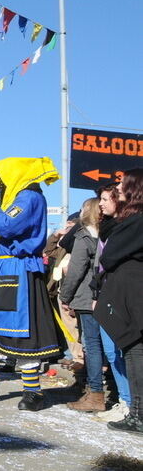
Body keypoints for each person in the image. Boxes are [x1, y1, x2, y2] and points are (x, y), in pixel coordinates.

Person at [0, 157, 65, 411]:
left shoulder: (29, 197)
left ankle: (33, 392)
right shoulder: (18, 197)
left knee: (21, 331)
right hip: (3, 267)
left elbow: (6, 225)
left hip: (18, 268)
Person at [95, 169, 143, 433]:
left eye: (124, 185)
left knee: (136, 352)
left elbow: (109, 255)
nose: (119, 188)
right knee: (133, 351)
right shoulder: (131, 220)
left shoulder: (136, 222)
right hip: (129, 293)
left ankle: (139, 414)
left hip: (134, 295)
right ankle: (137, 412)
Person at [90, 183, 132, 422]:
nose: (102, 203)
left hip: (119, 295)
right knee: (110, 351)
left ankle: (130, 403)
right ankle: (124, 400)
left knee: (121, 351)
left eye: (106, 199)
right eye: (101, 199)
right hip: (103, 293)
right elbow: (99, 266)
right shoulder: (105, 228)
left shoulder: (125, 229)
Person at [60, 197, 106, 412]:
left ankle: (95, 392)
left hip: (86, 297)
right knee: (104, 346)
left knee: (91, 345)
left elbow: (76, 270)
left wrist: (65, 296)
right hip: (105, 295)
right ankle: (102, 389)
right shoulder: (107, 234)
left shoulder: (84, 235)